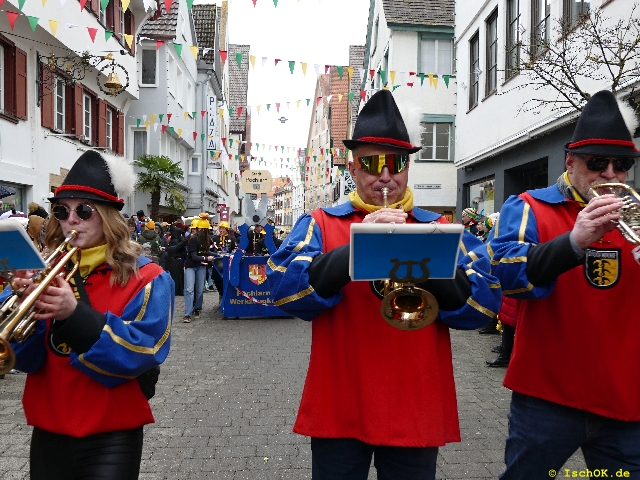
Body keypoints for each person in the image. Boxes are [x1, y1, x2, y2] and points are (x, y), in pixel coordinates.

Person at [266, 90, 500, 480]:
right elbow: (283, 290)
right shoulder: (321, 223)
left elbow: (484, 304)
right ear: (353, 168)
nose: (386, 176)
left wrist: (424, 256)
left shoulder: (438, 228)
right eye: (373, 163)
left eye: (397, 163)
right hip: (341, 403)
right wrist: (355, 247)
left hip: (415, 405)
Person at [488, 90, 640, 479]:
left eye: (622, 164)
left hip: (624, 395)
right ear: (570, 161)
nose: (610, 175)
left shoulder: (636, 217)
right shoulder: (529, 206)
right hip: (547, 396)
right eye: (597, 163)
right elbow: (507, 276)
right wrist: (573, 242)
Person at [0, 150, 173, 479]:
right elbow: (29, 359)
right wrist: (21, 299)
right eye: (62, 211)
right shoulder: (43, 270)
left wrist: (73, 314)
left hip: (112, 432)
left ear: (107, 216)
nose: (71, 220)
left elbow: (145, 350)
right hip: (49, 428)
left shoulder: (148, 277)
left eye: (83, 210)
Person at [183, 216, 215, 323]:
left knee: (200, 289)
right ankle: (188, 314)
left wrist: (218, 255)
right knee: (189, 289)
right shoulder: (193, 239)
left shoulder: (207, 240)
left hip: (201, 266)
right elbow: (194, 256)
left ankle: (197, 308)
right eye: (204, 229)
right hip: (191, 266)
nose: (206, 232)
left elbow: (206, 252)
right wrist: (206, 258)